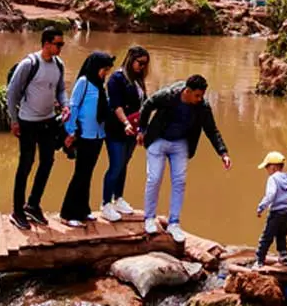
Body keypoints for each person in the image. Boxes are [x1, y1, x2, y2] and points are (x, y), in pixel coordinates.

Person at [138, 74, 231, 242]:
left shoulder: (202, 106)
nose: (199, 99)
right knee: (154, 178)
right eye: (197, 95)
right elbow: (147, 105)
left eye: (202, 95)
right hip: (158, 139)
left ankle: (174, 223)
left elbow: (211, 130)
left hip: (180, 144)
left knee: (179, 181)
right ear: (187, 91)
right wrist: (141, 130)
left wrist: (223, 153)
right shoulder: (168, 95)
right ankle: (149, 218)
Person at [6, 27, 70, 230]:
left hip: (48, 121)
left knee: (47, 162)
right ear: (46, 43)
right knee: (26, 164)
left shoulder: (58, 64)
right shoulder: (29, 64)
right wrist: (14, 120)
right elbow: (12, 93)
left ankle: (32, 204)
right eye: (58, 44)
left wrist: (65, 104)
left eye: (62, 44)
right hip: (28, 121)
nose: (61, 48)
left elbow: (60, 89)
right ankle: (17, 210)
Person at [60, 51, 115, 226]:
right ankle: (68, 214)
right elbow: (73, 107)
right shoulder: (83, 83)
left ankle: (83, 210)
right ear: (96, 67)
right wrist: (71, 131)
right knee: (80, 175)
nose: (105, 73)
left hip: (98, 135)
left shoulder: (100, 85)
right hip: (84, 135)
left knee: (88, 174)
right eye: (104, 69)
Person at [100, 46, 149, 222]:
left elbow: (144, 105)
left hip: (133, 129)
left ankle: (118, 198)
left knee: (124, 164)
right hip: (116, 128)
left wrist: (142, 128)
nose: (142, 67)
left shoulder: (138, 80)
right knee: (116, 165)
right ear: (130, 60)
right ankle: (106, 204)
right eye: (140, 63)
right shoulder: (117, 78)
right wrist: (126, 122)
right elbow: (116, 105)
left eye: (145, 64)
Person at [254, 150, 287, 266]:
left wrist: (261, 207)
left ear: (273, 167)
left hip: (276, 212)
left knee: (266, 237)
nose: (266, 170)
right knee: (281, 235)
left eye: (267, 167)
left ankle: (259, 261)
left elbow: (271, 195)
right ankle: (284, 257)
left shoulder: (273, 179)